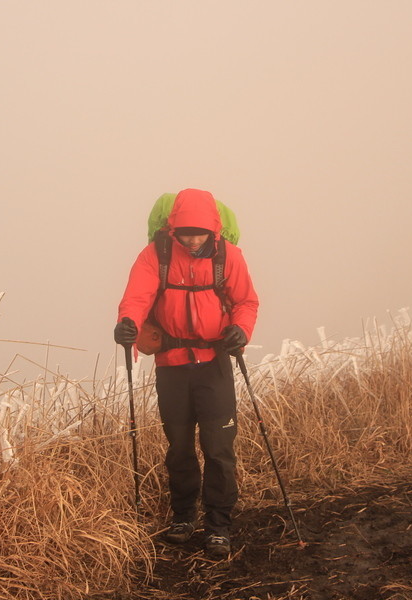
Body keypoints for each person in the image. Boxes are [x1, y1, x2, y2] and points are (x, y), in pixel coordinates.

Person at [114, 188, 259, 559]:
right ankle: (183, 517)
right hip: (172, 367)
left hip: (215, 364)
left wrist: (242, 329)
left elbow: (245, 301)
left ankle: (218, 526)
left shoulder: (229, 256)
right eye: (185, 233)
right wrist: (127, 323)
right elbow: (137, 297)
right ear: (172, 229)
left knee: (219, 448)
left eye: (200, 233)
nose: (193, 240)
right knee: (178, 447)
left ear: (214, 230)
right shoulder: (156, 255)